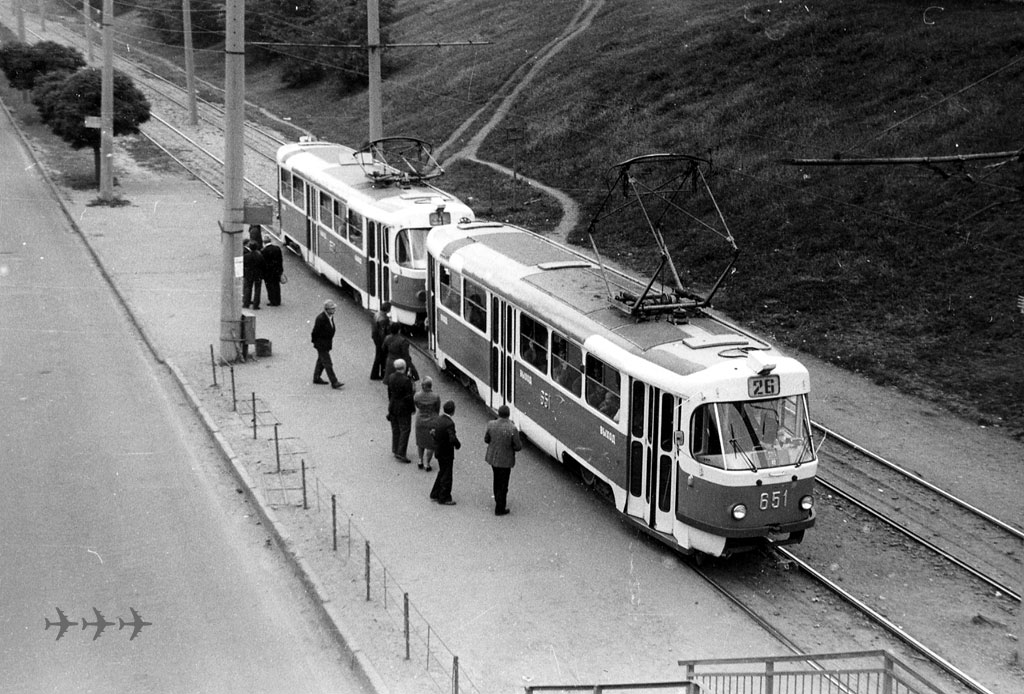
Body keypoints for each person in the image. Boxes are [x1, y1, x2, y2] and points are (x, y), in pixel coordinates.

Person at [484, 405, 522, 516]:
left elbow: (486, 439)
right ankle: (500, 508)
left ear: (499, 413)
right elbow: (518, 446)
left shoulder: (491, 424)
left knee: (496, 480)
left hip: (493, 458)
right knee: (503, 484)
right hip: (506, 460)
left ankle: (497, 499)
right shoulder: (512, 428)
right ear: (508, 415)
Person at [429, 400, 460, 505]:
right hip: (446, 452)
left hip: (439, 450)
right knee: (447, 475)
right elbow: (452, 438)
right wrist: (457, 444)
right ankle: (444, 497)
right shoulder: (450, 423)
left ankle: (435, 493)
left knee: (442, 471)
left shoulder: (439, 419)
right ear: (453, 411)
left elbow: (433, 432)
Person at [385, 359, 415, 463]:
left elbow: (389, 392)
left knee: (395, 428)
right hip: (403, 408)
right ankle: (401, 452)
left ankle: (395, 448)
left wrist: (391, 403)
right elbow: (409, 396)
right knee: (405, 429)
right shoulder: (406, 380)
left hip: (393, 406)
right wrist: (412, 408)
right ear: (404, 367)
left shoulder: (391, 377)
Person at [310, 300, 344, 389]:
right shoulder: (321, 318)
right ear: (327, 309)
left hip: (326, 344)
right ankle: (334, 382)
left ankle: (316, 378)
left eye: (334, 308)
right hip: (321, 345)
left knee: (321, 361)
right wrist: (316, 343)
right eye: (332, 309)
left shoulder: (330, 317)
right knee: (328, 363)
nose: (334, 310)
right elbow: (315, 332)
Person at [413, 377, 441, 471]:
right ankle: (427, 464)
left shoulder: (417, 396)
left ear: (422, 385)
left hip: (420, 420)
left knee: (420, 442)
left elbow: (417, 405)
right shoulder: (435, 396)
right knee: (430, 444)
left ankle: (420, 461)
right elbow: (437, 409)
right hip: (432, 421)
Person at [369, 301, 392, 380]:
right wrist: (385, 343)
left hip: (376, 337)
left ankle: (377, 374)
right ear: (388, 309)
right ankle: (378, 374)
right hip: (381, 340)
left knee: (379, 356)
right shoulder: (384, 319)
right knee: (381, 357)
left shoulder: (377, 314)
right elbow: (383, 333)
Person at [261, 234, 284, 306]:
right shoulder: (277, 248)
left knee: (270, 287)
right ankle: (278, 300)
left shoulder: (264, 251)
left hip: (268, 272)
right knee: (276, 285)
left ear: (264, 242)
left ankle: (272, 301)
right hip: (277, 271)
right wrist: (281, 270)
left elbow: (263, 263)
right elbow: (280, 260)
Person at [242, 240, 265, 310]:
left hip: (248, 274)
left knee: (248, 289)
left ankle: (246, 303)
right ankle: (256, 305)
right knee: (257, 290)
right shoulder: (259, 255)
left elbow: (244, 265)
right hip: (258, 274)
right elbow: (263, 265)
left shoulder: (246, 256)